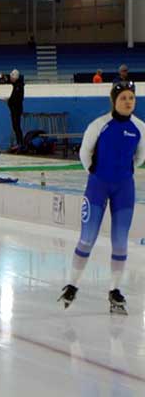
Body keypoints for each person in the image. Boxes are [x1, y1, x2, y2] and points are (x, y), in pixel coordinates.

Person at [58, 82, 145, 314]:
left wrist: (123, 173)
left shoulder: (140, 127)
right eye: (123, 98)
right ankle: (72, 284)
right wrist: (96, 174)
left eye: (131, 98)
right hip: (98, 185)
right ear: (114, 101)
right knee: (87, 238)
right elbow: (84, 153)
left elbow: (139, 157)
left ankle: (115, 290)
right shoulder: (99, 125)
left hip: (124, 188)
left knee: (120, 241)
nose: (128, 102)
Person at [7, 69, 25, 149]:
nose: (10, 79)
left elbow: (17, 99)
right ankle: (19, 142)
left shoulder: (18, 86)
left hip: (16, 110)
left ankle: (20, 143)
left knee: (16, 126)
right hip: (15, 109)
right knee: (16, 127)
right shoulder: (17, 86)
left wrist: (10, 101)